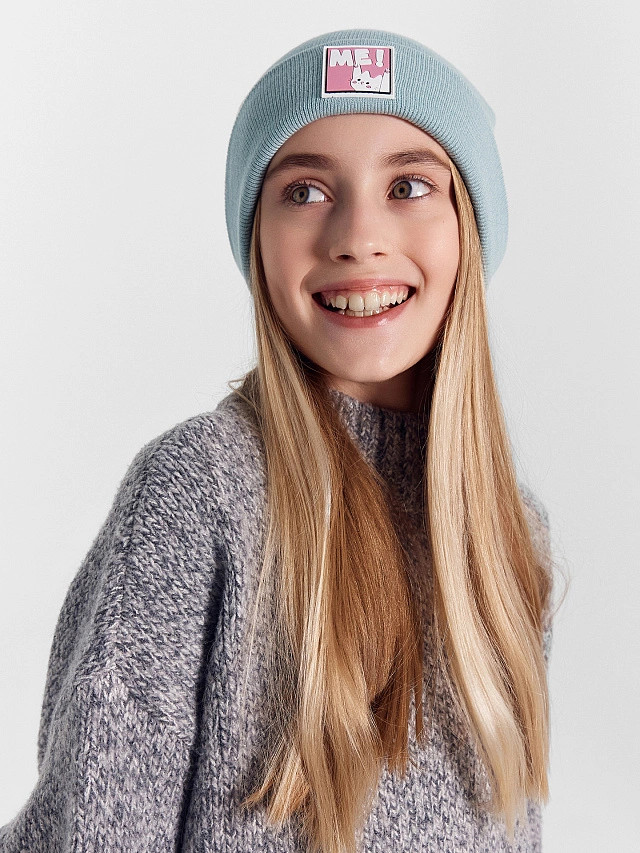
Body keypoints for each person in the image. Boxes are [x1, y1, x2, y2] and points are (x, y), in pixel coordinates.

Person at [0, 29, 555, 853]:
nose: (358, 235)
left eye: (408, 185)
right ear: (257, 237)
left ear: (468, 227)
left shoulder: (509, 530)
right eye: (305, 190)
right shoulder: (198, 493)